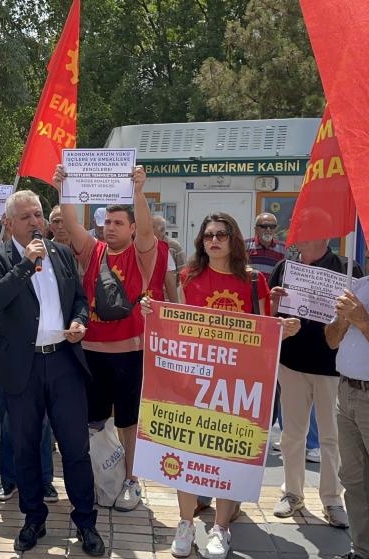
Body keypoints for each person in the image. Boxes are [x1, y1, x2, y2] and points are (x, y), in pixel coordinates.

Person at [141, 212, 300, 559]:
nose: (214, 240)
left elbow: (264, 328)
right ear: (201, 241)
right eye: (208, 235)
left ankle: (221, 528)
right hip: (194, 382)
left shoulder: (253, 280)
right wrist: (152, 313)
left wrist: (282, 328)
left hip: (236, 385)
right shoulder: (188, 276)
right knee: (185, 448)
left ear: (234, 239)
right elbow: (176, 322)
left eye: (221, 235)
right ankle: (185, 524)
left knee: (229, 455)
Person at [0, 189, 102, 555]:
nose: (36, 223)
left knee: (75, 449)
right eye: (27, 217)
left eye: (38, 215)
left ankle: (86, 522)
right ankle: (34, 518)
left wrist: (80, 322)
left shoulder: (62, 253)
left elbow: (80, 300)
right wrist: (24, 265)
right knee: (26, 448)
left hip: (64, 362)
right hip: (21, 367)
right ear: (9, 223)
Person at [53, 164, 156, 512]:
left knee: (128, 421)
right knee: (93, 421)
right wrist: (62, 188)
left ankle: (131, 481)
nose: (110, 228)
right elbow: (70, 223)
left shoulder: (141, 253)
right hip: (91, 350)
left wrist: (138, 192)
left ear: (131, 227)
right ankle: (101, 477)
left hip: (129, 352)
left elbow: (145, 229)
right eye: (107, 222)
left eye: (118, 223)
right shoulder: (92, 250)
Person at [267, 237, 355, 528]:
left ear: (324, 234)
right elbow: (271, 313)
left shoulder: (347, 267)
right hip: (291, 362)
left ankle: (332, 499)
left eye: (308, 228)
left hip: (331, 366)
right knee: (292, 434)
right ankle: (292, 493)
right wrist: (274, 302)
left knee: (332, 437)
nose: (300, 234)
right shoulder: (285, 267)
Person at [326, 281, 369, 559]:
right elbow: (330, 340)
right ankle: (362, 549)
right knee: (353, 479)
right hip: (347, 391)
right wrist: (342, 321)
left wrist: (363, 321)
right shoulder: (360, 285)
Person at [245, 212, 287, 280]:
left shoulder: (284, 249)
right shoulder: (244, 246)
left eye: (272, 227)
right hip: (250, 289)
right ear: (256, 229)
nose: (268, 229)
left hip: (271, 290)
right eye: (264, 226)